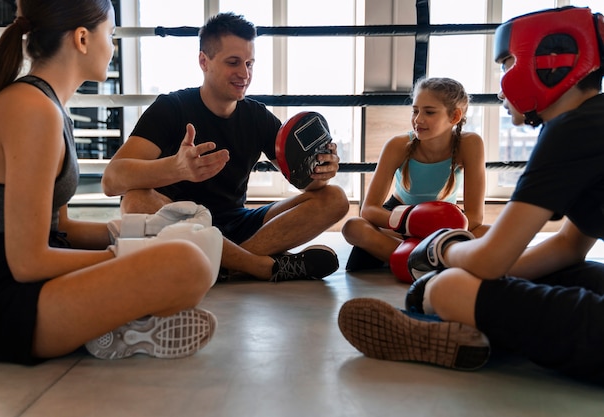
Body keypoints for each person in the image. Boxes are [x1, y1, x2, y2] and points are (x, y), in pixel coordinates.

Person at [338, 6, 604, 384]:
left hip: (433, 237)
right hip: (406, 229)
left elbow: (491, 258)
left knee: (450, 287)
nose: (502, 82)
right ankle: (472, 322)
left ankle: (459, 325)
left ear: (550, 62)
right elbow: (567, 247)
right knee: (556, 270)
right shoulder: (588, 118)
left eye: (509, 62)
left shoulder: (572, 129)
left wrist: (443, 251)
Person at [0, 0, 220, 365]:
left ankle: (112, 326)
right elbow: (26, 262)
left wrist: (139, 229)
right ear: (81, 38)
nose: (113, 46)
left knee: (190, 256)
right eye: (110, 34)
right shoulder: (32, 110)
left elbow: (61, 229)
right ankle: (114, 324)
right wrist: (125, 255)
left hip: (27, 288)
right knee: (186, 263)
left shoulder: (51, 109)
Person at [101, 12, 349, 282]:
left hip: (237, 223)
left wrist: (320, 169)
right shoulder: (171, 108)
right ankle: (259, 266)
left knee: (334, 198)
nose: (244, 73)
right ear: (203, 61)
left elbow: (304, 183)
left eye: (250, 63)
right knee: (135, 200)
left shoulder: (257, 117)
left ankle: (228, 264)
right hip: (179, 224)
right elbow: (112, 180)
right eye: (233, 63)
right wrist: (176, 169)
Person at [342, 77, 487, 275]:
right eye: (415, 110)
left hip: (445, 221)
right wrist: (411, 224)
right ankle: (432, 258)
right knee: (353, 227)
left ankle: (412, 258)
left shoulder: (470, 144)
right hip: (400, 219)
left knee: (490, 233)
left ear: (454, 116)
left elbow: (475, 217)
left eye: (429, 112)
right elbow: (368, 210)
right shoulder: (397, 145)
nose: (418, 119)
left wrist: (436, 228)